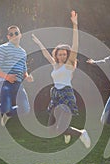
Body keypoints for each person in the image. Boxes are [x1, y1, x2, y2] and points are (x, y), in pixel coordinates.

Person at [32, 10, 91, 148]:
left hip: (66, 95)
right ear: (57, 55)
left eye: (65, 54)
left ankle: (81, 133)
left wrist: (75, 25)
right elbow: (46, 54)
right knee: (51, 130)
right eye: (60, 54)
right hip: (55, 96)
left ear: (67, 55)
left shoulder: (69, 65)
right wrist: (38, 43)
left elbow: (75, 46)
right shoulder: (55, 65)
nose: (62, 56)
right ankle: (67, 132)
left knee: (59, 129)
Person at [0, 25, 33, 127]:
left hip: (18, 84)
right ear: (8, 37)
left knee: (25, 109)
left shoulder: (23, 52)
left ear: (20, 35)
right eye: (11, 34)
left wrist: (27, 77)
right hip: (5, 83)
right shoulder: (2, 48)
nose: (14, 35)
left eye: (16, 33)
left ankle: (8, 115)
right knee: (5, 108)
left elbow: (24, 70)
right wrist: (7, 77)